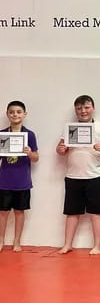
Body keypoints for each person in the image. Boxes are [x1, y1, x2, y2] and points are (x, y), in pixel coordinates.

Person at [56, 95, 100, 255]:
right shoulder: (69, 128)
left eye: (86, 107)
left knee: (96, 212)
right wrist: (61, 149)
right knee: (71, 212)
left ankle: (97, 245)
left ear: (93, 108)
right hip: (73, 176)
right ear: (76, 110)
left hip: (96, 175)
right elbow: (60, 149)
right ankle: (67, 244)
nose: (83, 111)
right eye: (79, 108)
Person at [0, 101, 39, 252]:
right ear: (7, 114)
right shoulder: (2, 134)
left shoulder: (29, 135)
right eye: (11, 112)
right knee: (3, 212)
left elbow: (36, 158)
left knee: (19, 212)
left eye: (18, 111)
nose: (15, 114)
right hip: (4, 180)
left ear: (24, 114)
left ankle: (17, 241)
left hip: (22, 181)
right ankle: (1, 240)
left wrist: (29, 152)